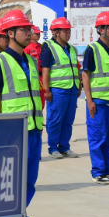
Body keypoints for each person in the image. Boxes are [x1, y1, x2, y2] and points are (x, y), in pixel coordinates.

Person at [0, 11, 44, 217]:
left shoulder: (31, 60)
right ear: (10, 33)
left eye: (29, 29)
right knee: (10, 178)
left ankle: (21, 216)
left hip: (34, 127)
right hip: (12, 131)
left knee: (29, 179)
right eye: (23, 30)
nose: (29, 33)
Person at [81, 12, 109, 185]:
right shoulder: (92, 49)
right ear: (100, 30)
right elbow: (86, 75)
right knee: (97, 137)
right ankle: (98, 171)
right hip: (98, 102)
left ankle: (106, 169)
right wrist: (89, 100)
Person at [40, 17, 80, 159]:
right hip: (58, 90)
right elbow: (45, 70)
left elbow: (75, 68)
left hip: (72, 89)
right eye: (65, 31)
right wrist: (47, 90)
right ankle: (52, 148)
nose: (68, 34)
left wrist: (79, 85)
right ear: (56, 32)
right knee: (55, 119)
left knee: (68, 121)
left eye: (69, 31)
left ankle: (64, 147)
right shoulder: (49, 48)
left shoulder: (72, 49)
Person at [23, 25, 45, 109]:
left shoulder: (42, 47)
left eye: (39, 34)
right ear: (31, 34)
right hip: (34, 76)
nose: (38, 36)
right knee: (34, 98)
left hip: (42, 76)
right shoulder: (28, 48)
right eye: (36, 34)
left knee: (42, 99)